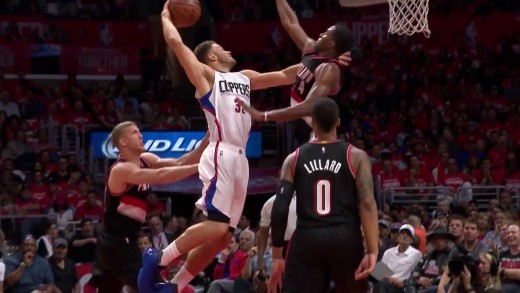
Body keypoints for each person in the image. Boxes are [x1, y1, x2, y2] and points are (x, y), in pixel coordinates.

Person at [138, 1, 352, 293]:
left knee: (223, 237)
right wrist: (164, 15)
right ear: (212, 55)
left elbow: (289, 75)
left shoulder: (246, 78)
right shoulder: (205, 76)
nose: (228, 51)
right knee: (214, 226)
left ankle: (175, 286)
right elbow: (175, 42)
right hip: (222, 153)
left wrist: (332, 59)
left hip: (240, 159)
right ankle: (158, 258)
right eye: (222, 48)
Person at [268, 98, 379, 293]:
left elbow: (280, 208)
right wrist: (372, 250)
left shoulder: (293, 158)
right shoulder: (356, 156)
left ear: (313, 122)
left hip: (308, 236)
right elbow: (367, 203)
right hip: (345, 236)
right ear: (337, 122)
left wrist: (277, 256)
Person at [89, 121, 207, 293]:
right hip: (116, 245)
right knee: (154, 288)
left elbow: (180, 162)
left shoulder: (146, 159)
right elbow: (161, 176)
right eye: (135, 132)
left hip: (122, 243)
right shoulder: (120, 170)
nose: (141, 135)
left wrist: (207, 140)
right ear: (123, 141)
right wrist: (201, 167)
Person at [238, 0, 354, 128]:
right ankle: (225, 80)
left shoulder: (329, 69)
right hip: (297, 110)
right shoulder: (311, 50)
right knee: (256, 79)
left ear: (331, 44)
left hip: (315, 125)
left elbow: (309, 106)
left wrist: (264, 116)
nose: (321, 34)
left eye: (326, 34)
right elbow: (291, 23)